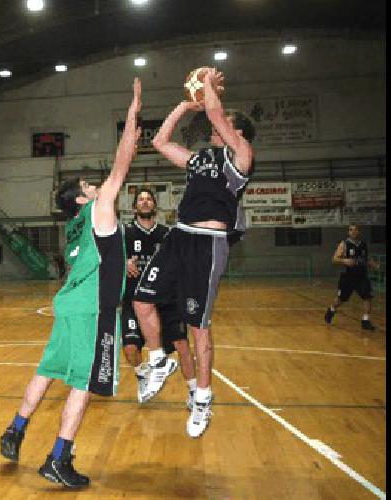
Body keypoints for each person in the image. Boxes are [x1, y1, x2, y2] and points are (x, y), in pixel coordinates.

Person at [0, 77, 142, 488]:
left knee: (47, 370)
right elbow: (122, 165)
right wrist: (132, 116)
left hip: (69, 305)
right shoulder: (98, 210)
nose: (93, 186)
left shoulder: (77, 227)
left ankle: (16, 429)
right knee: (83, 383)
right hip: (93, 310)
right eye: (86, 187)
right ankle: (58, 458)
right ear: (80, 200)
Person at [134, 67, 255, 439]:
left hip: (208, 244)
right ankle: (157, 359)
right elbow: (159, 142)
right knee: (141, 300)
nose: (217, 126)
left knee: (197, 327)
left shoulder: (242, 156)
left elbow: (217, 114)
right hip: (179, 236)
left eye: (226, 125)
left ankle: (202, 398)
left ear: (239, 134)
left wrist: (207, 90)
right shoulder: (201, 158)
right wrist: (185, 106)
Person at [121, 188, 198, 406]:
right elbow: (107, 263)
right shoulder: (124, 234)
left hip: (166, 301)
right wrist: (123, 264)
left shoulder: (167, 234)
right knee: (130, 349)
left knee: (182, 346)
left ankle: (193, 392)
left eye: (148, 199)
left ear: (155, 205)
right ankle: (142, 376)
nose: (144, 202)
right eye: (141, 200)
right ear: (134, 206)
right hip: (133, 300)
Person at [325, 224, 379, 331]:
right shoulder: (344, 244)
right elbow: (334, 259)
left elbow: (365, 258)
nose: (353, 232)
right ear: (348, 232)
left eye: (355, 230)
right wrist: (344, 260)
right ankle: (331, 310)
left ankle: (365, 321)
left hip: (361, 276)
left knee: (367, 296)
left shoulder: (363, 244)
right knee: (341, 299)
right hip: (348, 277)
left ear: (358, 232)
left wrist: (373, 264)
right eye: (351, 230)